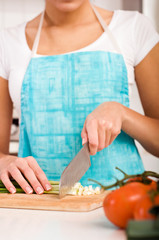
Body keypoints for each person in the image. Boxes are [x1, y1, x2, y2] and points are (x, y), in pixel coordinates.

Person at [0, 0, 159, 195]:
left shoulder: (134, 27)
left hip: (123, 208)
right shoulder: (7, 43)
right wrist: (2, 162)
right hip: (40, 209)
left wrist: (122, 114)